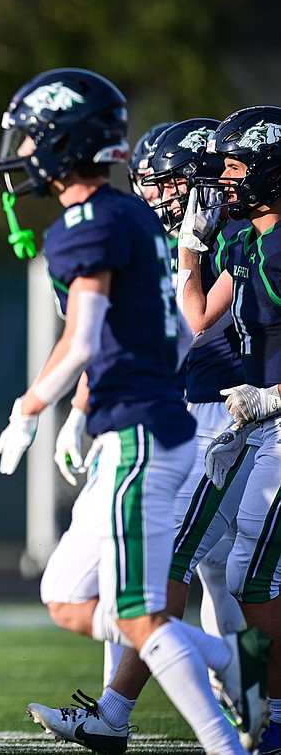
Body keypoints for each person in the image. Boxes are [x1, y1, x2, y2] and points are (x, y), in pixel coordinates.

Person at [0, 68, 254, 755]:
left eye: (30, 139)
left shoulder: (89, 222)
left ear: (61, 142)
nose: (20, 154)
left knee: (148, 605)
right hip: (138, 419)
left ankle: (223, 735)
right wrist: (84, 404)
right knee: (68, 594)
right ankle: (225, 659)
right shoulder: (127, 215)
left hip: (143, 431)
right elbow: (142, 333)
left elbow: (80, 338)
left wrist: (28, 406)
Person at [175, 104, 281, 755]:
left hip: (277, 420)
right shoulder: (243, 242)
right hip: (259, 427)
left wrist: (272, 396)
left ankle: (273, 708)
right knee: (223, 562)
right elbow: (199, 321)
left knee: (253, 574)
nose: (225, 177)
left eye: (237, 163)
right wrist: (191, 249)